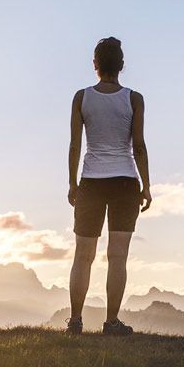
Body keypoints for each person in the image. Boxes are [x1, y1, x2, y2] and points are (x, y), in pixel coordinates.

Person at [66, 37, 152, 335]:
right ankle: (111, 323)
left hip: (91, 181)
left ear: (95, 65)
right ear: (122, 65)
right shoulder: (133, 99)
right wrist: (147, 186)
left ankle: (75, 321)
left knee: (83, 255)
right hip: (125, 182)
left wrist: (72, 183)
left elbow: (75, 145)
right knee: (118, 257)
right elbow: (138, 146)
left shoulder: (82, 97)